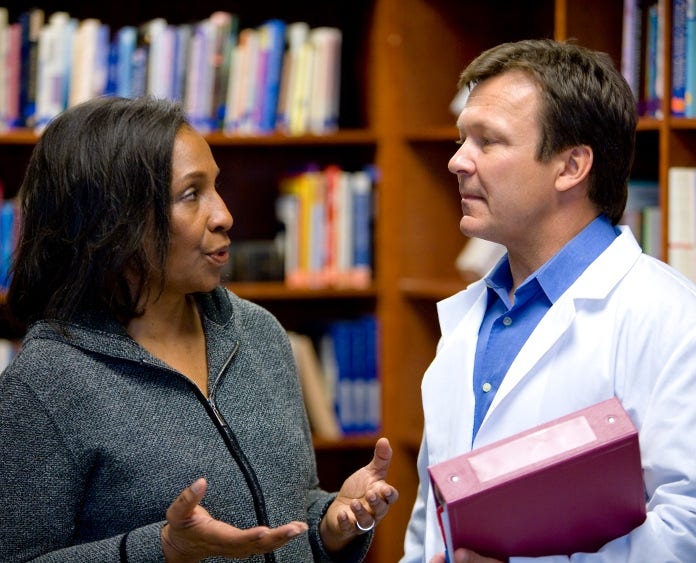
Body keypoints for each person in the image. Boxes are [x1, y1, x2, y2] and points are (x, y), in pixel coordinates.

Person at [0, 95, 398, 562]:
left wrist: (331, 523)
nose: (224, 215)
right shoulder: (44, 385)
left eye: (216, 187)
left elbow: (290, 505)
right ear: (114, 220)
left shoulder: (260, 334)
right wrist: (164, 548)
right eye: (192, 194)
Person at [401, 39, 696, 563]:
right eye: (461, 138)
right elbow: (431, 522)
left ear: (570, 166)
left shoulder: (672, 319)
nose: (455, 161)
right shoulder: (472, 317)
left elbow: (686, 527)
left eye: (487, 141)